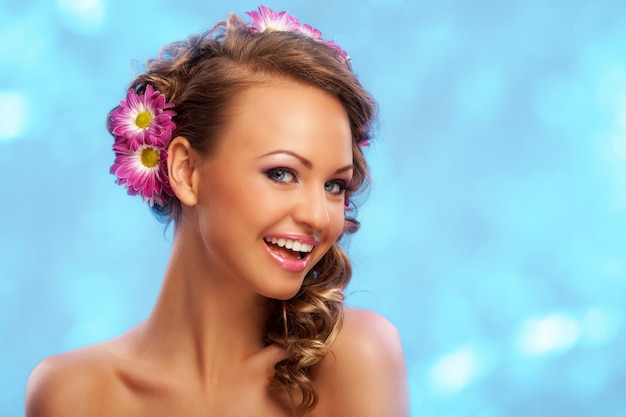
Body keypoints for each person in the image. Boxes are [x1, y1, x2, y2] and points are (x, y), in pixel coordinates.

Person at [25, 6, 409, 417]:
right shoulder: (74, 395)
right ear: (186, 171)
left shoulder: (355, 359)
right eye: (282, 173)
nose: (318, 217)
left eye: (334, 185)